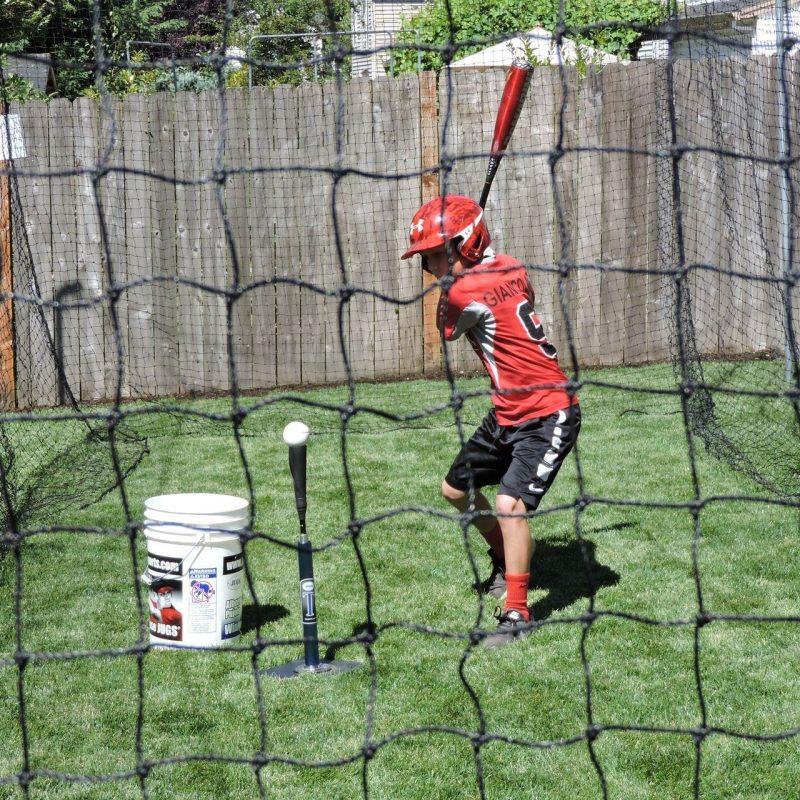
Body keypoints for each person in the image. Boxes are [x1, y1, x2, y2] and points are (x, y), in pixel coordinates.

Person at [401, 195, 580, 648]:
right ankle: (506, 559)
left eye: (436, 256)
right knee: (455, 490)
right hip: (506, 411)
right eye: (426, 262)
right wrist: (461, 270)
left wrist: (451, 290)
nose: (432, 270)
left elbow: (448, 329)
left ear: (466, 243)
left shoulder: (460, 293)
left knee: (509, 506)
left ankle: (517, 611)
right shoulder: (514, 266)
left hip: (547, 411)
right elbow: (513, 294)